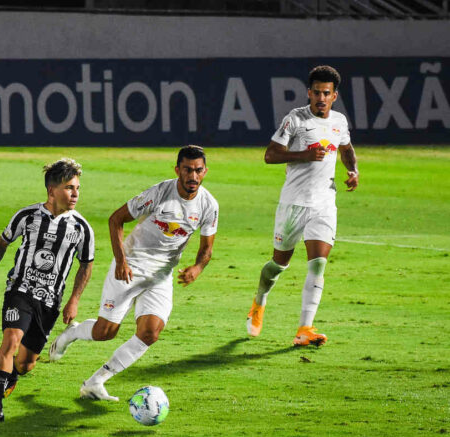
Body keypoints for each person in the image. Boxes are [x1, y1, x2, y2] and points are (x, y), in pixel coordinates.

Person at [49, 145, 218, 401]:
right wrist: (121, 260)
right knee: (106, 332)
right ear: (177, 170)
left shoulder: (208, 205)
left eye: (197, 170)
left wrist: (197, 267)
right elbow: (116, 219)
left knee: (150, 333)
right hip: (131, 266)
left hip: (161, 275)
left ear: (205, 171)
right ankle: (72, 333)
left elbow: (207, 249)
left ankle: (96, 382)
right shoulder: (160, 193)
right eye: (187, 170)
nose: (192, 176)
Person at [246, 65, 359, 346]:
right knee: (278, 264)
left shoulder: (340, 122)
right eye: (317, 93)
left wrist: (353, 170)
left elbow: (345, 148)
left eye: (327, 93)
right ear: (309, 93)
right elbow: (270, 155)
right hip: (294, 204)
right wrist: (304, 154)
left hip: (324, 203)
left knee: (318, 263)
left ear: (335, 96)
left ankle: (304, 329)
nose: (321, 98)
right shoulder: (295, 119)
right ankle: (259, 301)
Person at [0, 158, 95, 421]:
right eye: (69, 188)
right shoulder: (27, 216)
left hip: (50, 302)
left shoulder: (81, 228)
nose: (75, 194)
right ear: (52, 191)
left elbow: (86, 265)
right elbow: (2, 243)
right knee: (11, 340)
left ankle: (14, 375)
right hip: (20, 290)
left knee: (26, 363)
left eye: (77, 188)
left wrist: (74, 300)